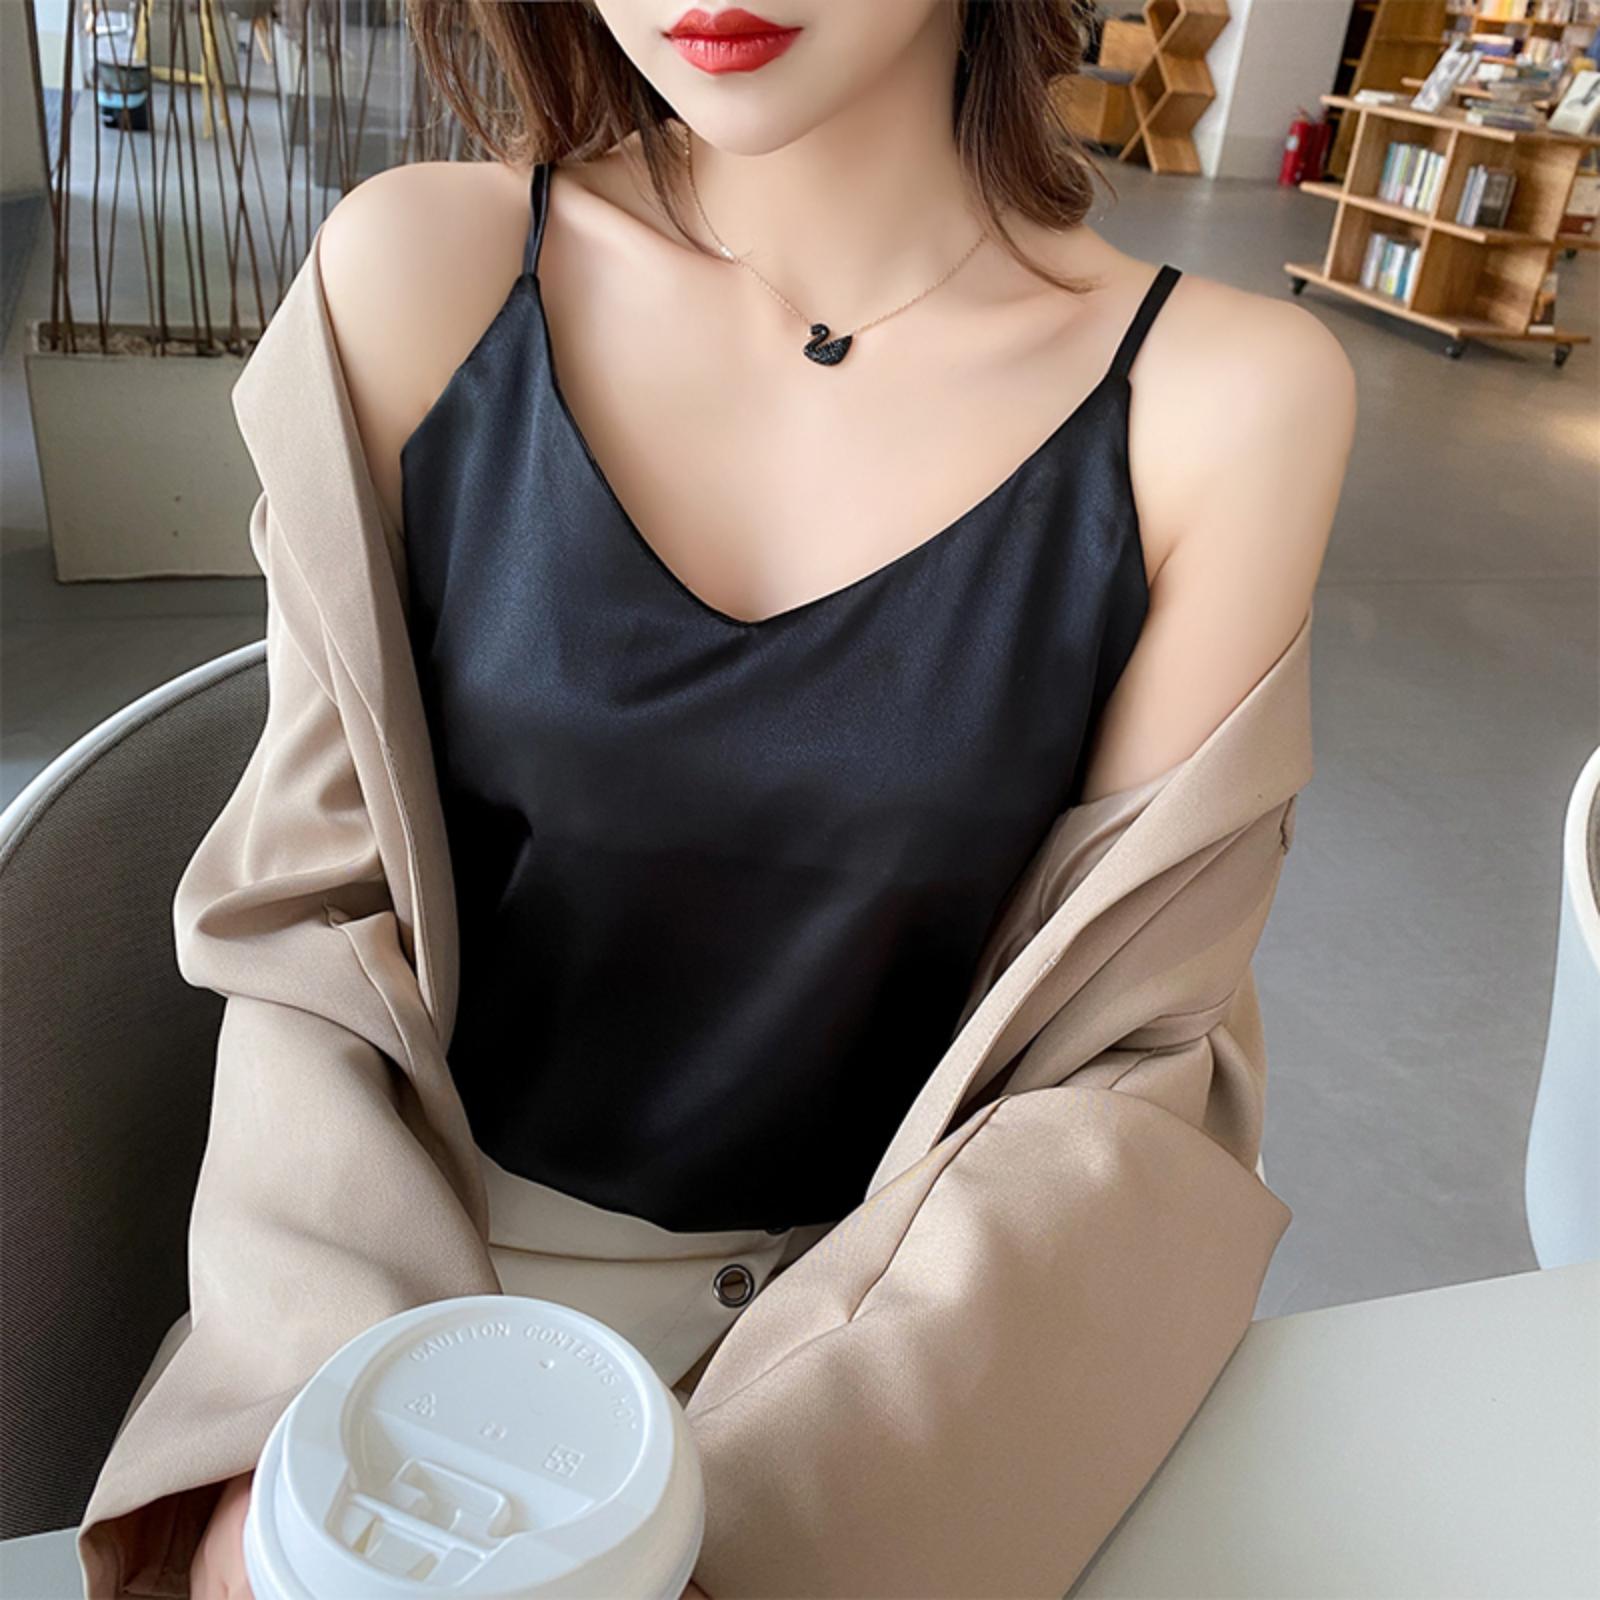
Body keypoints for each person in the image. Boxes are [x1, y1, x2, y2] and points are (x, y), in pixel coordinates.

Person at [183, 1, 1354, 1594]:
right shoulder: (422, 273)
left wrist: (730, 1541)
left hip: (887, 1358)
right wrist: (309, 1435)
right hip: (399, 1298)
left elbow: (1117, 1068)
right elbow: (313, 918)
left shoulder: (1218, 404)